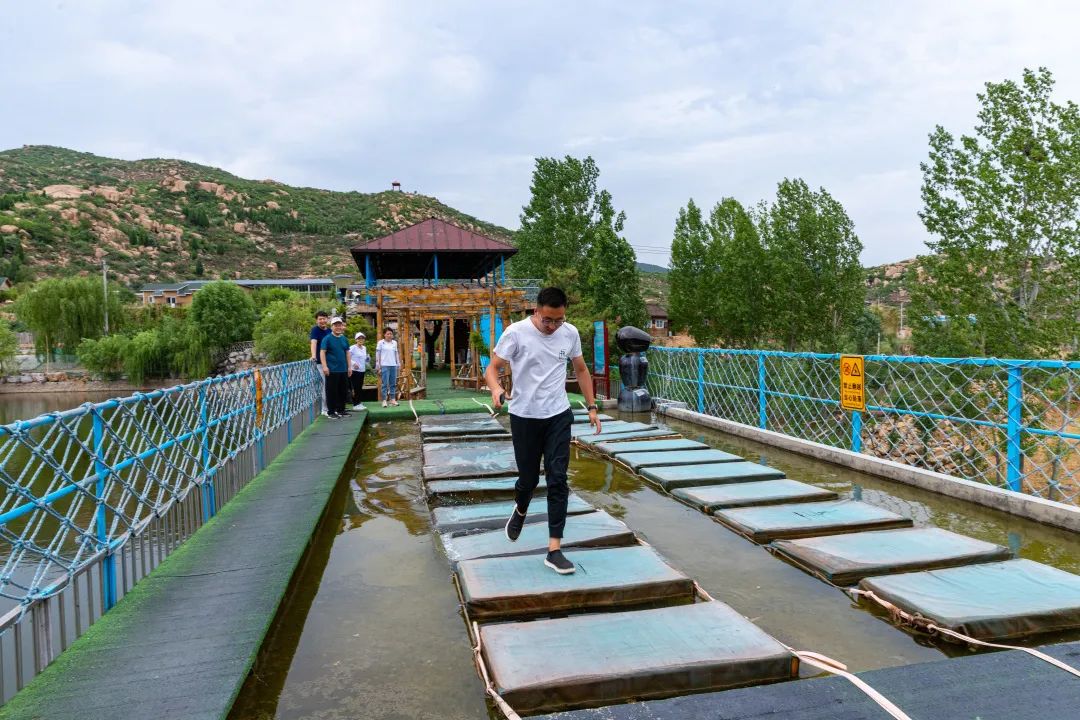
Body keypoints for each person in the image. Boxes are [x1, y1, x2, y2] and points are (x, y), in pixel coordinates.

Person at [485, 287, 601, 575]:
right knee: (527, 479)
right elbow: (493, 368)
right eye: (548, 320)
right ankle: (521, 508)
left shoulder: (569, 333)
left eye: (558, 320)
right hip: (524, 416)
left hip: (558, 414)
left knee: (558, 478)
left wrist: (591, 406)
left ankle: (554, 549)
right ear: (536, 311)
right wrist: (497, 388)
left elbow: (582, 370)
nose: (552, 327)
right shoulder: (516, 332)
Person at [320, 317, 352, 418]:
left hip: (343, 369)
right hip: (332, 369)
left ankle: (341, 410)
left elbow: (347, 353)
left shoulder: (344, 339)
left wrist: (349, 367)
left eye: (340, 325)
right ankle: (331, 412)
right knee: (331, 391)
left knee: (343, 390)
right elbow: (322, 352)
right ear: (332, 326)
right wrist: (325, 366)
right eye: (336, 325)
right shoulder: (327, 338)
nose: (338, 327)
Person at [309, 311, 331, 415]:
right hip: (320, 362)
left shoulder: (330, 330)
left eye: (324, 318)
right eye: (320, 319)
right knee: (325, 384)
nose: (322, 321)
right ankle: (324, 409)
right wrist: (313, 355)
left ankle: (332, 406)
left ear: (327, 319)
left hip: (331, 361)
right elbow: (314, 342)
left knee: (331, 384)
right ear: (317, 320)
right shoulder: (315, 330)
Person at [375, 327, 400, 408]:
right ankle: (384, 400)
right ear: (384, 334)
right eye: (388, 334)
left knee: (393, 383)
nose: (389, 335)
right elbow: (378, 354)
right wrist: (378, 365)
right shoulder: (380, 343)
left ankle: (393, 399)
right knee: (385, 384)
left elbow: (396, 353)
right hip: (384, 365)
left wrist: (398, 363)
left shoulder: (394, 343)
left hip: (393, 365)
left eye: (391, 334)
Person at [349, 331, 368, 409]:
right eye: (359, 338)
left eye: (362, 338)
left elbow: (365, 359)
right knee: (355, 387)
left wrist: (367, 359)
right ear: (356, 339)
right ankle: (355, 404)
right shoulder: (352, 347)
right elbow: (347, 357)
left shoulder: (364, 348)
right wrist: (353, 363)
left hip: (362, 370)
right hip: (354, 370)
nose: (361, 340)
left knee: (360, 387)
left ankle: (359, 402)